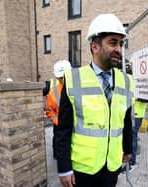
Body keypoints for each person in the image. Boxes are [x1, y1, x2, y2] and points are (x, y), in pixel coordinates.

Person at [55, 14, 134, 187]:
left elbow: (126, 120)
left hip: (112, 166)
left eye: (121, 44)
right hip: (82, 170)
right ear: (95, 47)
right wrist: (64, 168)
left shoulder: (126, 81)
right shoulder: (73, 79)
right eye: (113, 42)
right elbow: (63, 130)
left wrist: (128, 149)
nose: (119, 49)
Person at [45, 60, 72, 159]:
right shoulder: (54, 91)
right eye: (60, 78)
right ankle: (57, 155)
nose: (62, 79)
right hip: (59, 124)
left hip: (75, 125)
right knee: (58, 141)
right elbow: (49, 110)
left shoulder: (78, 88)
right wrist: (57, 121)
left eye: (64, 77)